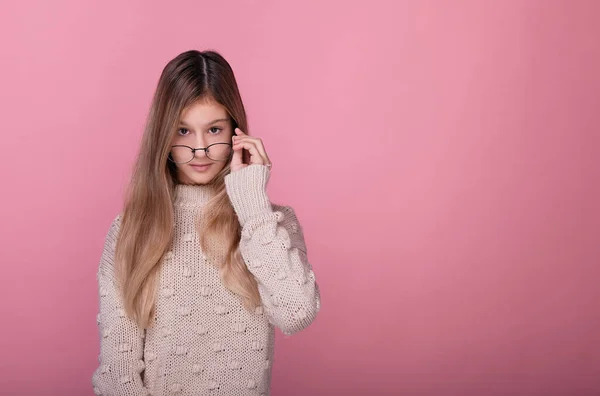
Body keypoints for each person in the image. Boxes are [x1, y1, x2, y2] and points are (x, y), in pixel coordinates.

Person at [92, 49, 321, 396]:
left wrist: (253, 205)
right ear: (163, 136)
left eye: (214, 129)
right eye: (183, 131)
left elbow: (296, 312)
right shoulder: (131, 230)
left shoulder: (270, 224)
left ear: (236, 132)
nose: (200, 149)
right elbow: (117, 373)